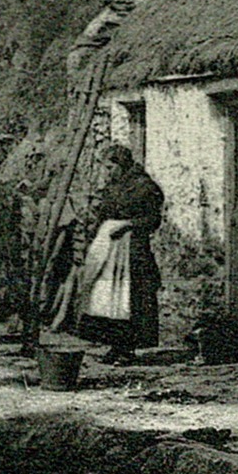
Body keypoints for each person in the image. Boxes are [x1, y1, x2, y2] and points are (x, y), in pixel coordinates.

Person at [77, 144, 165, 364]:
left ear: (121, 164)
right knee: (107, 298)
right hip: (109, 249)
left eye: (110, 167)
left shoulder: (145, 187)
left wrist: (128, 225)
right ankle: (115, 346)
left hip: (132, 250)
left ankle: (128, 349)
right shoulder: (112, 187)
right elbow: (102, 214)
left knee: (130, 298)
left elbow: (153, 220)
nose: (107, 172)